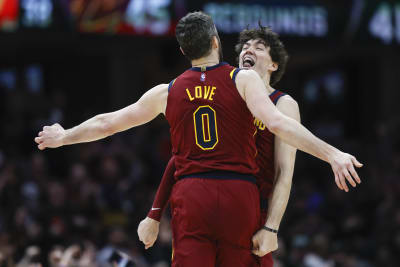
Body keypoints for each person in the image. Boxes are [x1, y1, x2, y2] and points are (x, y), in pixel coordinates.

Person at [35, 11, 362, 267]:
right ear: (217, 41)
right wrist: (332, 153)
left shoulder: (168, 91)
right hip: (239, 194)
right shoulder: (242, 79)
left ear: (182, 50)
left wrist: (64, 136)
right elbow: (278, 123)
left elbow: (108, 123)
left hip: (192, 194)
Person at [137, 24, 294, 267]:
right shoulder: (231, 90)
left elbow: (284, 173)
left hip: (257, 209)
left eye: (259, 47)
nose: (247, 50)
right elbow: (182, 157)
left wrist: (271, 227)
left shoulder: (282, 103)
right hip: (229, 198)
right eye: (245, 46)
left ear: (273, 64)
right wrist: (155, 213)